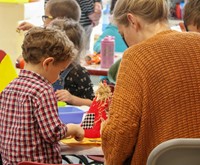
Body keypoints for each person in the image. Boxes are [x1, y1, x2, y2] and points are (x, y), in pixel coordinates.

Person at [101, 0, 200, 164]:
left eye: (123, 35)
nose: (126, 43)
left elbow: (120, 135)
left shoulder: (136, 57)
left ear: (132, 21)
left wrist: (105, 130)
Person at [0, 27, 84, 164]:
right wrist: (73, 128)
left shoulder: (9, 87)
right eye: (60, 71)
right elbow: (53, 133)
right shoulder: (43, 90)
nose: (58, 78)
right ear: (48, 63)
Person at [49, 18, 94, 106]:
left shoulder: (78, 73)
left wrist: (72, 99)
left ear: (75, 50)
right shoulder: (45, 67)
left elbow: (93, 103)